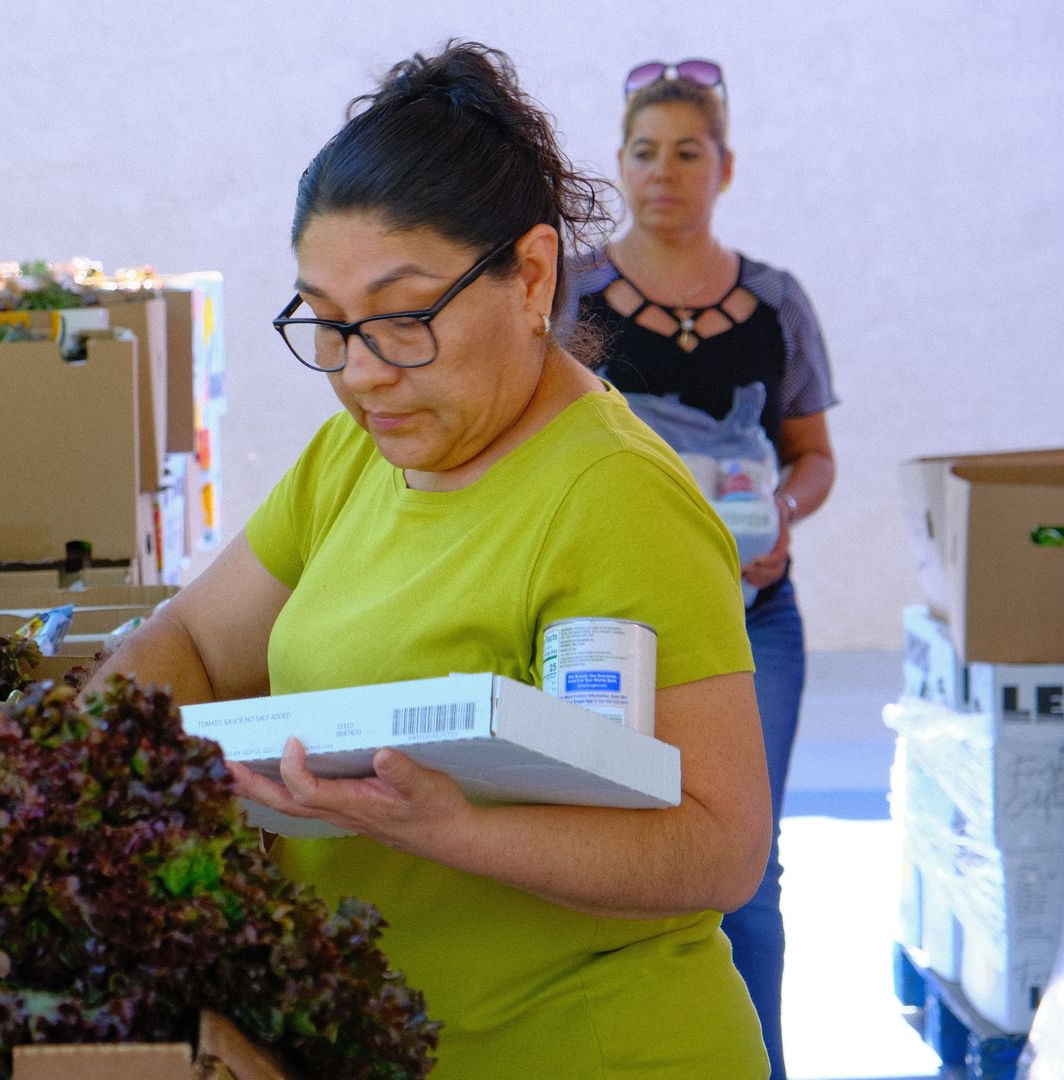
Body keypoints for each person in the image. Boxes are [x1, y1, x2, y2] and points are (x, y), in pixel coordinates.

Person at [91, 42, 773, 1078]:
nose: (361, 372)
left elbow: (720, 846)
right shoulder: (357, 453)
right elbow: (193, 637)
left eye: (404, 319)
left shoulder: (618, 500)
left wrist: (448, 826)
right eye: (327, 324)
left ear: (530, 275)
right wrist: (92, 761)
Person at [565, 59, 839, 1080]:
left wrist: (786, 508)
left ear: (725, 167)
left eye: (688, 152)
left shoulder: (775, 303)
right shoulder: (572, 296)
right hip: (608, 627)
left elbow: (813, 456)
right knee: (604, 854)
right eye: (644, 152)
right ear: (621, 165)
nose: (664, 173)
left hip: (753, 616)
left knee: (745, 872)